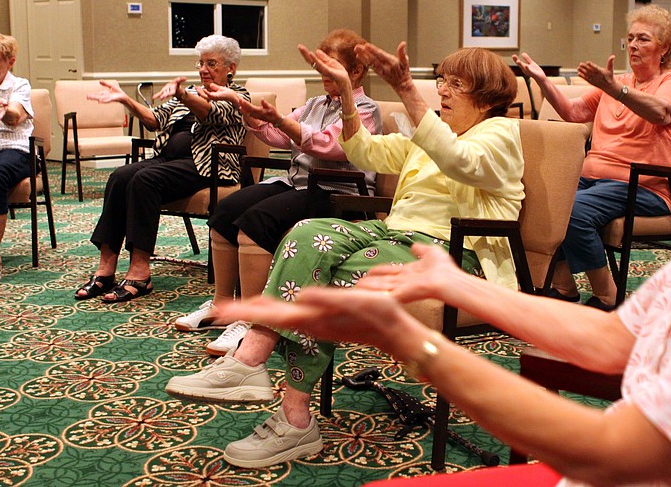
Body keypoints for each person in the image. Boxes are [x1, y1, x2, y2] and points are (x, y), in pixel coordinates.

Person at [214, 0, 671, 485]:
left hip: (612, 459)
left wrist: (416, 343)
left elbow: (616, 452)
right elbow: (612, 337)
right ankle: (265, 377)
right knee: (310, 234)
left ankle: (279, 396)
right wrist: (451, 283)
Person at [166, 41, 524, 468]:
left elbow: (459, 161)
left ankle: (291, 415)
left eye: (457, 84)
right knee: (306, 234)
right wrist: (348, 106)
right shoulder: (433, 133)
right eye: (442, 80)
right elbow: (365, 152)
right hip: (395, 235)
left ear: (486, 96)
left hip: (451, 255)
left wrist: (408, 89)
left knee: (323, 279)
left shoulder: (500, 134)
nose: (442, 91)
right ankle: (254, 359)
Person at [173, 29, 382, 356]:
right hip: (302, 185)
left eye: (330, 66)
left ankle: (254, 319)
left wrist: (284, 124)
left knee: (256, 222)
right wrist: (239, 103)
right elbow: (277, 134)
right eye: (319, 65)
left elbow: (329, 145)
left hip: (339, 193)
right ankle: (223, 304)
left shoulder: (366, 109)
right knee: (225, 213)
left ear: (355, 72)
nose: (321, 73)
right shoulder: (315, 103)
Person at [513, 5, 671, 311]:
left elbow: (661, 111)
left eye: (643, 39)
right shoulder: (618, 82)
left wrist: (616, 90)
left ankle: (608, 294)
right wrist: (544, 82)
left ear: (665, 48)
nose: (633, 45)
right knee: (546, 202)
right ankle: (564, 287)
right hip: (597, 181)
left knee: (574, 210)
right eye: (630, 38)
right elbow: (573, 112)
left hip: (648, 186)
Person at [74, 35, 247, 303]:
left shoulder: (237, 97)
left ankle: (140, 273)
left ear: (231, 68)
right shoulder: (189, 92)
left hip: (208, 165)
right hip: (169, 161)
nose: (203, 69)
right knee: (120, 176)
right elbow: (155, 120)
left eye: (211, 63)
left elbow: (211, 113)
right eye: (201, 63)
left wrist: (183, 94)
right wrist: (126, 101)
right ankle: (106, 269)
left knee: (146, 179)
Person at [0, 33, 33, 284]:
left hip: (16, 150)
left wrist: (4, 110)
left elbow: (16, 116)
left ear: (10, 62)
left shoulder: (19, 85)